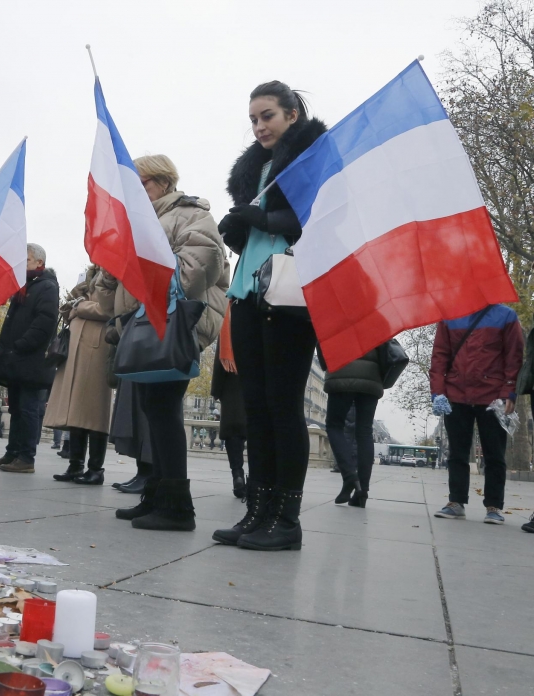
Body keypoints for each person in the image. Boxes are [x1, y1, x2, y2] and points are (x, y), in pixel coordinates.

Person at [213, 81, 327, 550]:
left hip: (290, 296)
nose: (260, 126)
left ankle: (287, 520)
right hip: (246, 293)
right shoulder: (257, 169)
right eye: (254, 119)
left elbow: (316, 219)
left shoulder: (313, 159)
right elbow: (256, 236)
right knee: (255, 408)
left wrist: (260, 219)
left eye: (268, 116)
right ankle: (257, 513)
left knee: (283, 408)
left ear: (292, 114)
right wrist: (238, 228)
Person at [107, 154, 226, 532]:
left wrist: (148, 282)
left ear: (162, 182)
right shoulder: (143, 221)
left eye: (141, 184)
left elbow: (201, 261)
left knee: (164, 410)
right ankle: (157, 494)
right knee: (152, 411)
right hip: (145, 324)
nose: (137, 193)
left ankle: (177, 507)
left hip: (173, 324)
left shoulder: (190, 214)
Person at [430, 304, 523, 524]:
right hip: (456, 394)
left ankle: (494, 506)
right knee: (457, 453)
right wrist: (438, 392)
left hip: (492, 397)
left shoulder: (506, 316)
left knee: (494, 455)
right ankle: (456, 502)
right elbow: (439, 356)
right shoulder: (449, 315)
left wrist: (508, 392)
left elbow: (514, 356)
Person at [0, 244, 59, 474]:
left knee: (27, 410)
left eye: (26, 260)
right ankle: (12, 452)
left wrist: (21, 346)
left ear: (39, 262)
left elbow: (44, 322)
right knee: (16, 408)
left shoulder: (46, 287)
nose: (22, 264)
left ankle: (26, 457)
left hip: (30, 361)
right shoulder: (25, 286)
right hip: (17, 361)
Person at [46, 265, 116, 485]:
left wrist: (80, 307)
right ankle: (75, 465)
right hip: (75, 348)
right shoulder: (87, 281)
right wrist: (73, 307)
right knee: (75, 409)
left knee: (95, 410)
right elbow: (68, 308)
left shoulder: (114, 278)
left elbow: (109, 310)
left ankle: (96, 468)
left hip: (97, 347)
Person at [323, 350, 383, 508]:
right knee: (365, 432)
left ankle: (349, 475)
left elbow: (323, 338)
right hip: (371, 375)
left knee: (334, 425)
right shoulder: (376, 322)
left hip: (341, 369)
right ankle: (362, 492)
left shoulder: (335, 322)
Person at [211, 308, 247, 499]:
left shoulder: (230, 316)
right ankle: (256, 480)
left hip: (232, 385)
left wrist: (216, 389)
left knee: (234, 436)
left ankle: (238, 475)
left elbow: (220, 356)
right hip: (255, 382)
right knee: (257, 434)